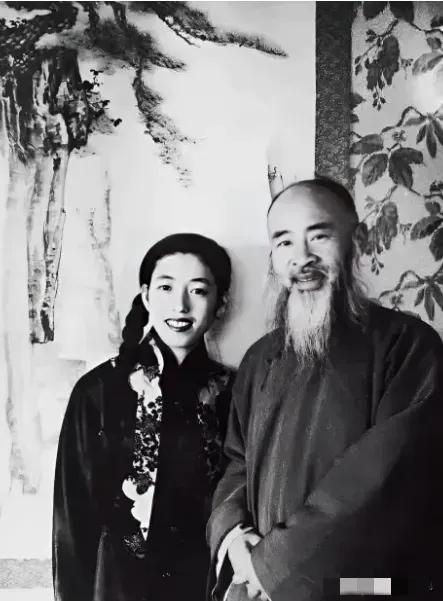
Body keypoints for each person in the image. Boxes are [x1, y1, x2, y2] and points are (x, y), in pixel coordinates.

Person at [207, 179, 443, 601]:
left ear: (358, 240)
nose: (301, 258)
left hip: (362, 588)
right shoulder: (260, 358)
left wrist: (272, 567)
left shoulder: (409, 347)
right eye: (284, 242)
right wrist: (235, 536)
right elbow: (237, 462)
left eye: (319, 236)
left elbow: (381, 478)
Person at [53, 233, 235, 601]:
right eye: (166, 287)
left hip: (206, 586)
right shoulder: (98, 392)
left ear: (221, 304)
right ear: (146, 295)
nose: (180, 305)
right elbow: (72, 523)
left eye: (198, 290)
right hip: (118, 587)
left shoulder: (235, 391)